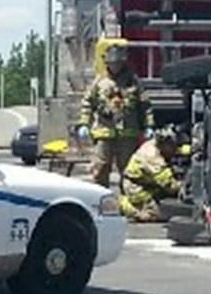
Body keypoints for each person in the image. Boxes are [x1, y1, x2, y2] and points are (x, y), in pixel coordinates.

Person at [78, 42, 154, 189]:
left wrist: (148, 125)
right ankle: (100, 197)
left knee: (129, 171)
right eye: (112, 63)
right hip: (104, 133)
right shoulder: (100, 82)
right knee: (100, 169)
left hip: (127, 134)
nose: (115, 66)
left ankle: (127, 199)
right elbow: (88, 102)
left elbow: (145, 105)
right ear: (107, 62)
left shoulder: (133, 81)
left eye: (118, 63)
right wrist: (84, 123)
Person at [119, 127, 183, 222]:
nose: (174, 148)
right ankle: (124, 206)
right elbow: (168, 184)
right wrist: (182, 186)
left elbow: (177, 151)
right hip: (135, 186)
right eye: (172, 145)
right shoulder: (152, 156)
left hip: (147, 182)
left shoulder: (155, 144)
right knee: (155, 215)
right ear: (164, 143)